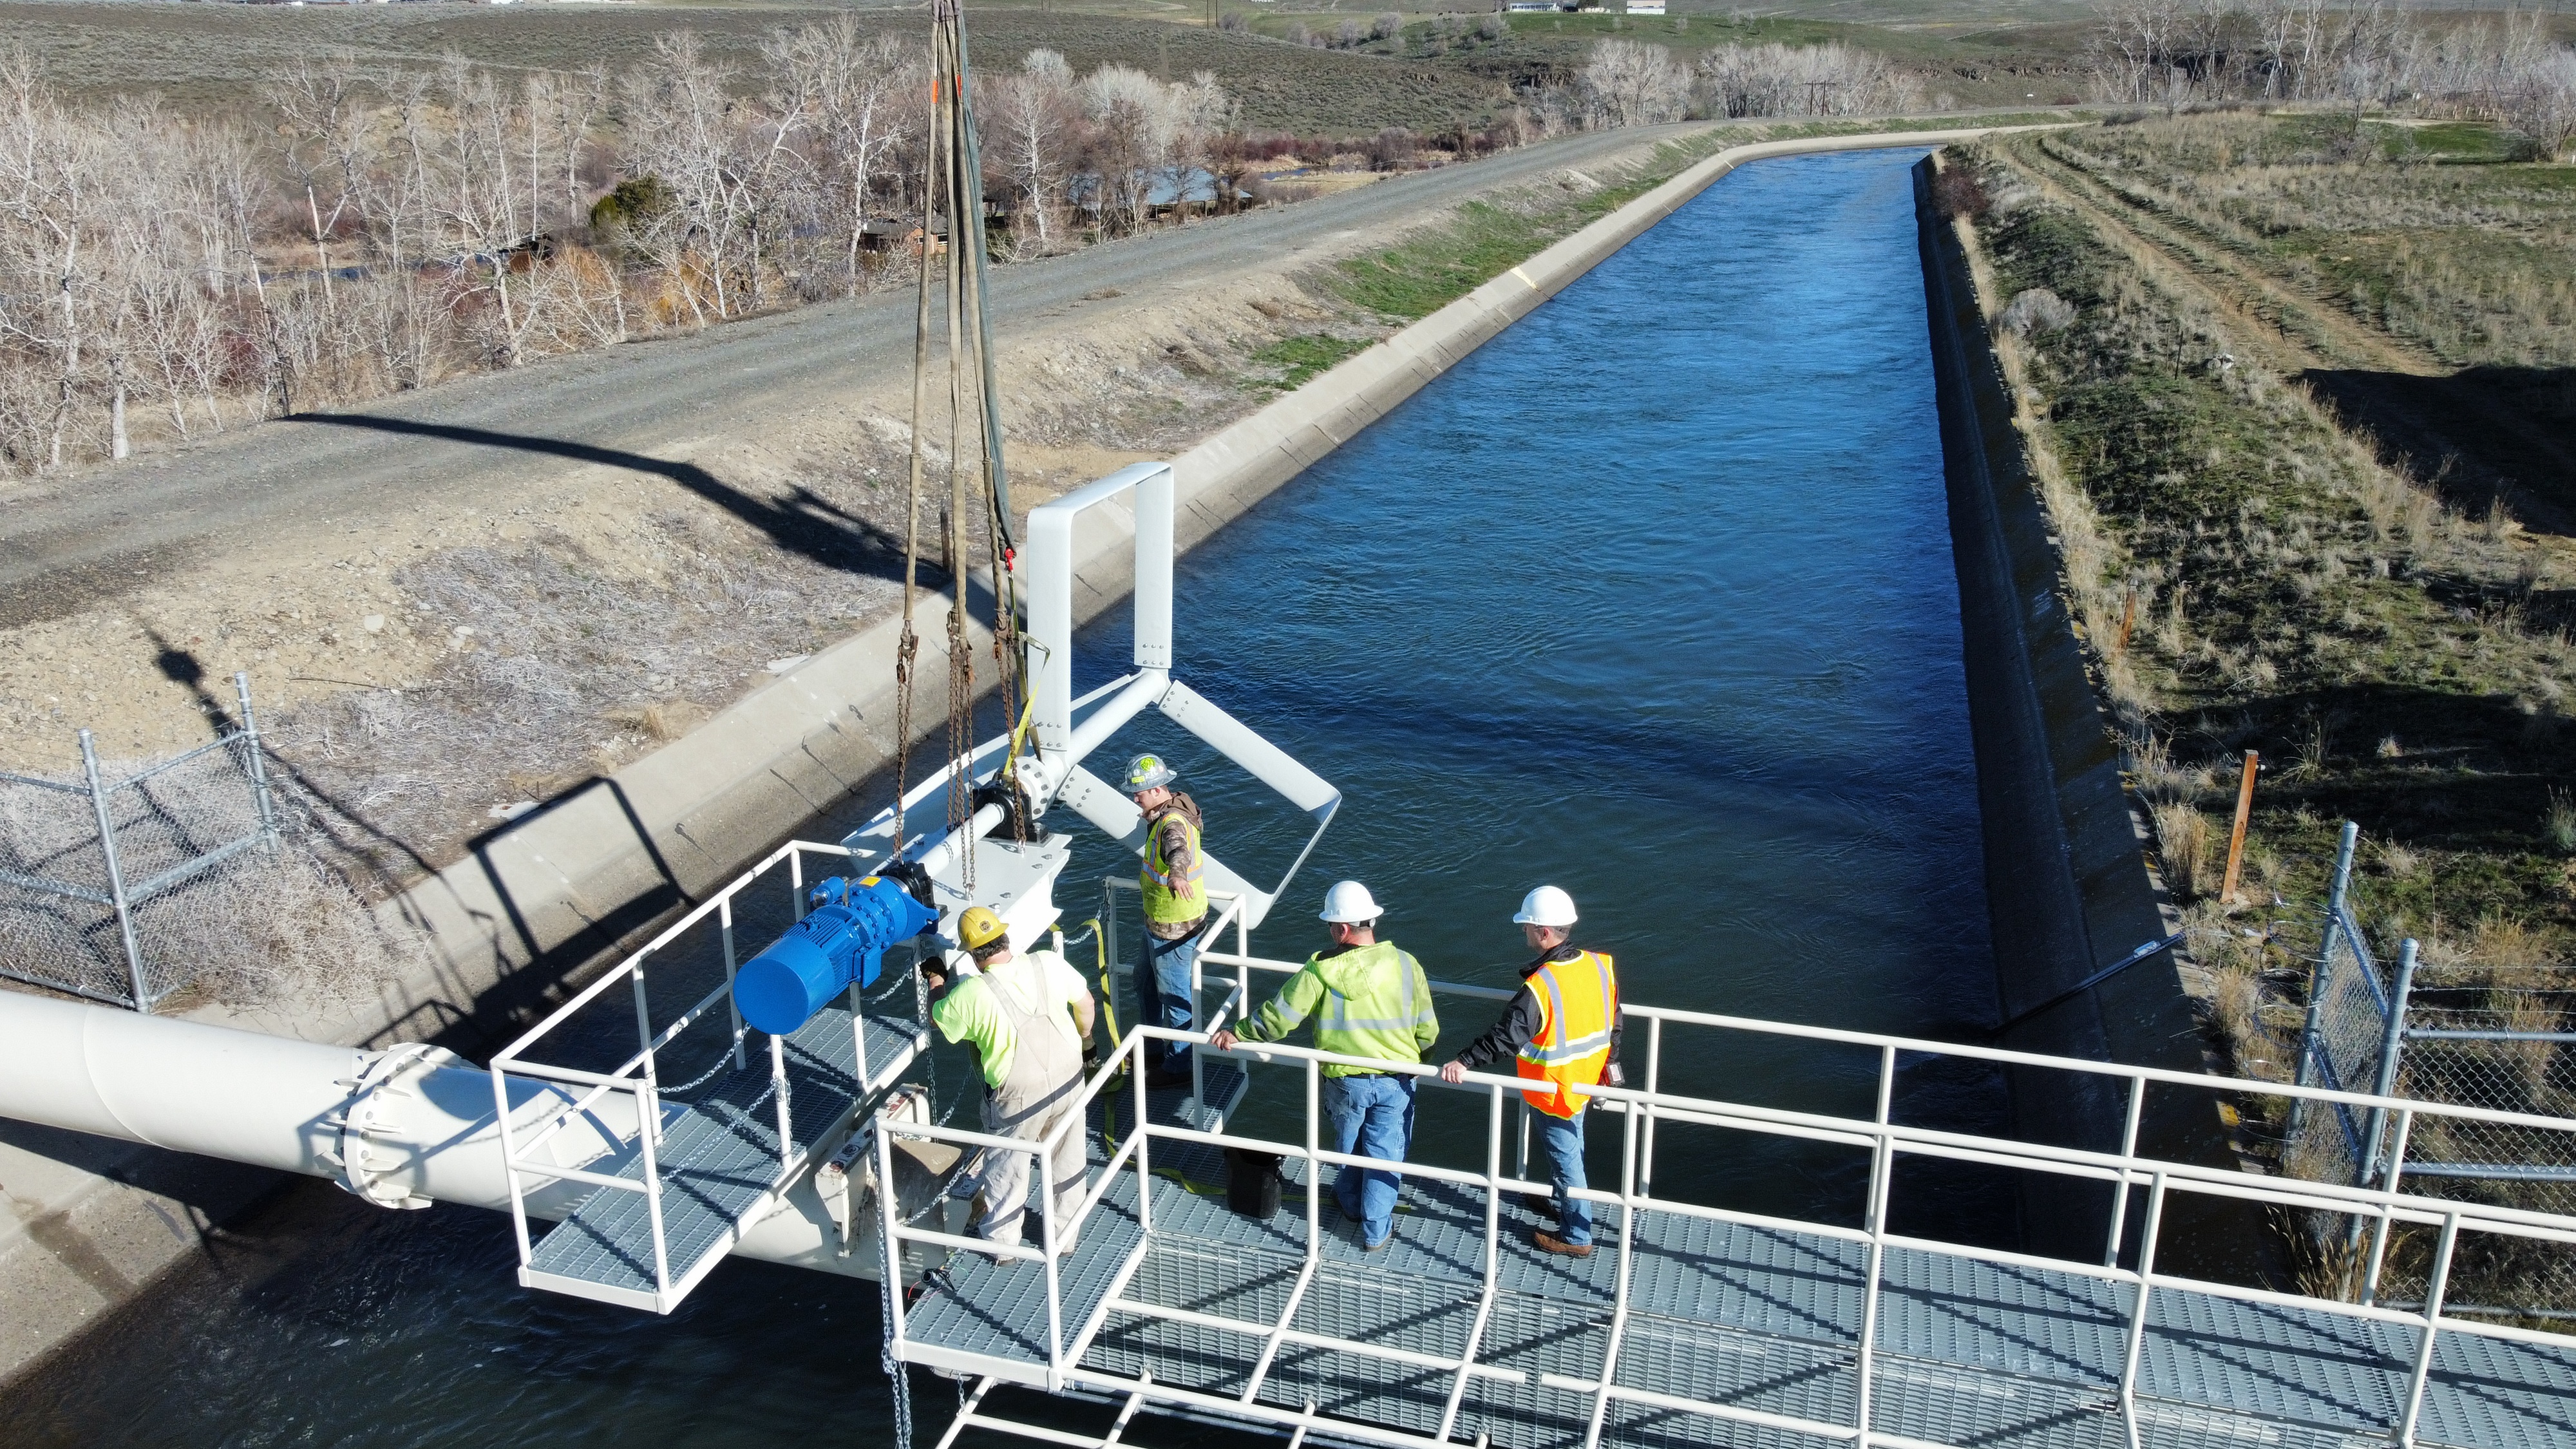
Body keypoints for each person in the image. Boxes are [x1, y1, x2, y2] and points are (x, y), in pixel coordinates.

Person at [1210, 880, 1437, 1251]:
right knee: (1386, 1156)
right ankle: (1376, 1232)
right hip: (1399, 1080)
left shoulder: (1320, 971)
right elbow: (1428, 1028)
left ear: (1342, 930)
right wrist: (1420, 1061)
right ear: (1370, 922)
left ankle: (1348, 1204)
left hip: (1346, 1083)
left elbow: (1279, 1019)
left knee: (1346, 1148)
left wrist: (1239, 1033)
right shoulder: (1406, 964)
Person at [1439, 885, 1622, 1260]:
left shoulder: (1542, 985)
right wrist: (1609, 1067)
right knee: (1573, 1149)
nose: (1523, 932)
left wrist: (1464, 1060)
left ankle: (1576, 1234)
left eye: (1526, 927)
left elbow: (1508, 1036)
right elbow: (1614, 1023)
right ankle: (1565, 1202)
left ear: (1544, 933)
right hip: (1585, 1080)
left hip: (1554, 1088)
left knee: (1566, 1158)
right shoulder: (1599, 967)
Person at [923, 905, 1098, 1256]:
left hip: (1018, 1095)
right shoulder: (1047, 962)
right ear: (1006, 938)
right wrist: (1086, 1040)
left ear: (973, 956)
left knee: (1008, 1165)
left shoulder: (971, 994)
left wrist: (936, 981)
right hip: (1069, 1076)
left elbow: (938, 1019)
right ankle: (1064, 1237)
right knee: (1068, 1157)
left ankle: (1004, 1246)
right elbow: (1086, 1004)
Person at [1124, 752, 1208, 1090]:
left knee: (1174, 997)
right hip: (1158, 923)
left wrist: (1177, 875)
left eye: (1139, 793)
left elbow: (1177, 850)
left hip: (1175, 927)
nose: (1135, 798)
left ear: (1158, 790)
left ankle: (1179, 1066)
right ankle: (1154, 1045)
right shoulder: (1165, 812)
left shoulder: (1171, 823)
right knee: (1143, 981)